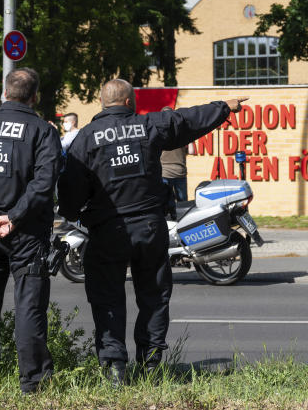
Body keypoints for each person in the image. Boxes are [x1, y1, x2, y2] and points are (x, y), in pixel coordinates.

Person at [58, 79, 246, 385]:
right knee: (154, 297)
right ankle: (151, 365)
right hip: (149, 227)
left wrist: (74, 214)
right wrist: (224, 108)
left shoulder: (86, 138)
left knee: (107, 299)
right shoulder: (148, 125)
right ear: (131, 102)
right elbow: (186, 120)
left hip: (108, 230)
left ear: (102, 103)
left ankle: (114, 368)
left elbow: (70, 191)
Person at [0, 68, 61, 393]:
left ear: (5, 93)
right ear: (35, 96)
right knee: (30, 306)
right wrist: (15, 216)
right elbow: (44, 183)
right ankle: (33, 382)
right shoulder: (42, 131)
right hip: (27, 231)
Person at [159, 106, 197, 218]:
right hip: (180, 172)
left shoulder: (159, 133)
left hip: (164, 173)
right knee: (183, 205)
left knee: (165, 204)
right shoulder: (182, 133)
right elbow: (192, 151)